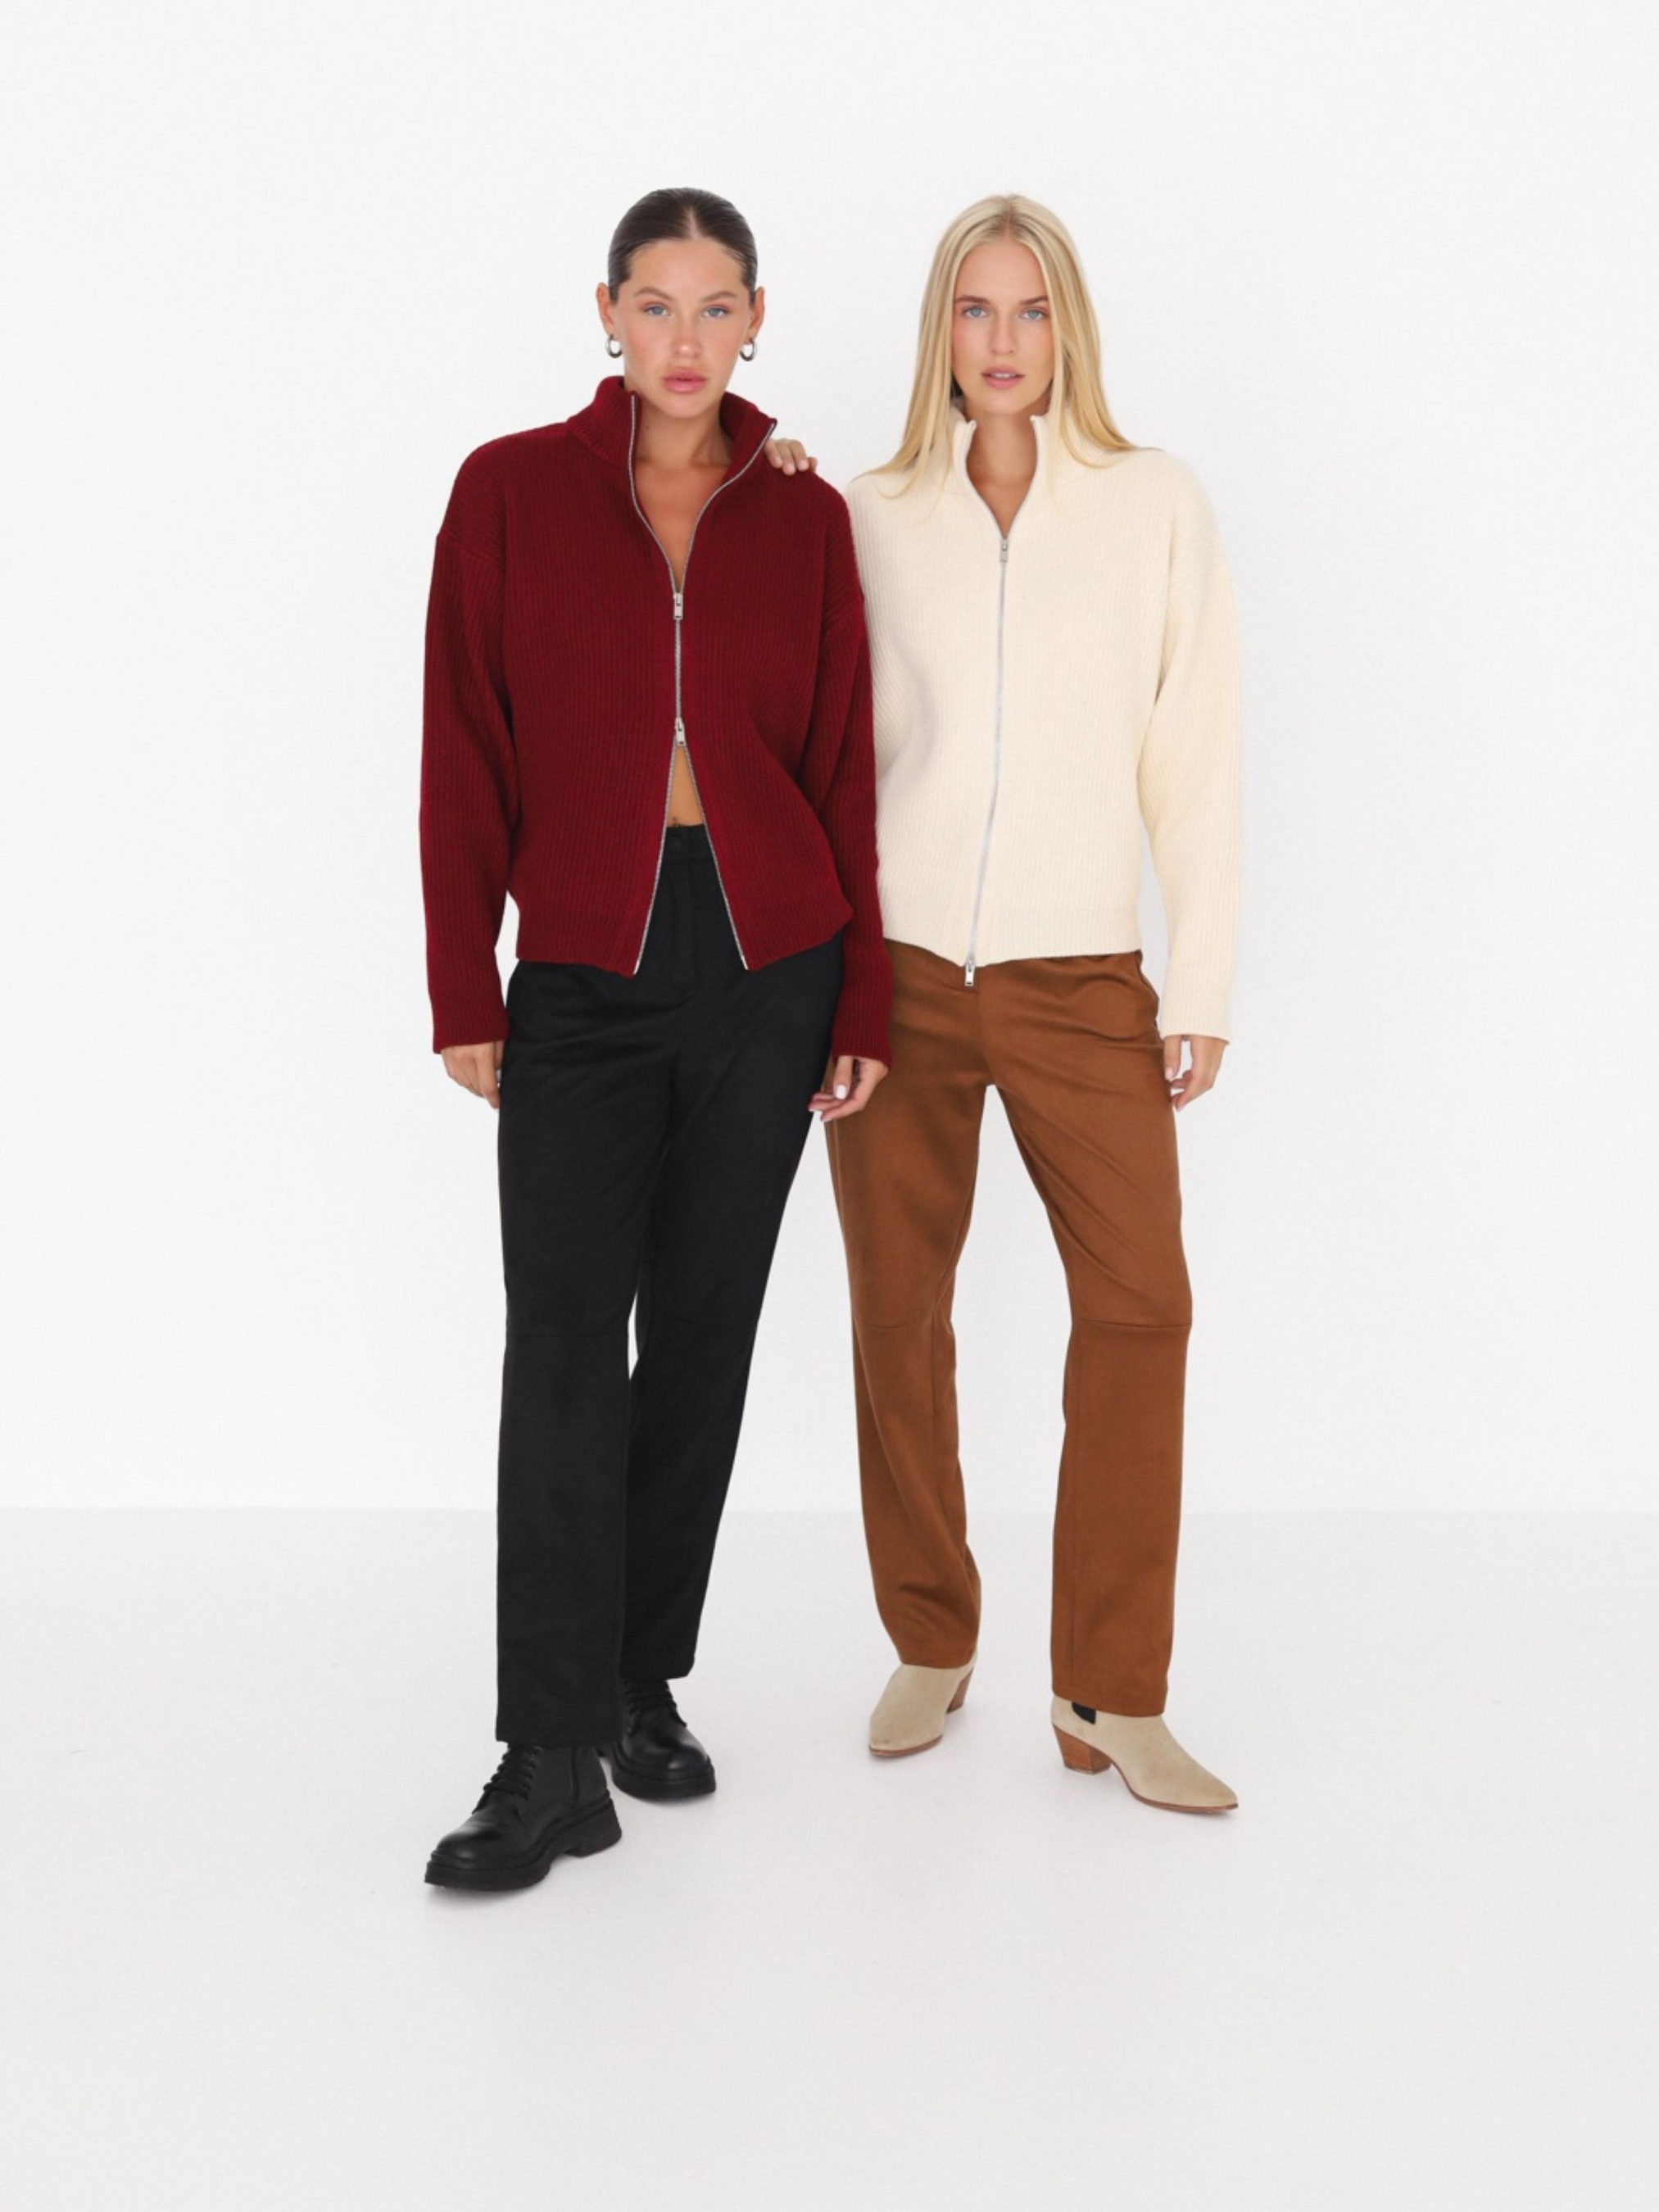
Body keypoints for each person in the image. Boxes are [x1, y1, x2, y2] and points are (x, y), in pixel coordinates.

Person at [419, 188, 890, 1891]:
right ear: (605, 313)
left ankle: (634, 1684)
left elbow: (841, 761)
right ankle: (545, 1758)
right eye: (655, 305)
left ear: (754, 321)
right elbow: (460, 741)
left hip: (770, 966)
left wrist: (859, 996)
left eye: (715, 308)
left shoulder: (803, 516)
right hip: (582, 973)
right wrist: (464, 982)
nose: (684, 340)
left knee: (699, 1338)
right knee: (561, 1342)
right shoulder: (507, 491)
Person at [775, 194, 1242, 1811]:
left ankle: (1108, 1690)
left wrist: (1199, 978)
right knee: (897, 1312)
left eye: (1028, 311)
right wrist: (773, 487)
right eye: (973, 311)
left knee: (1141, 1306)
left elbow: (1194, 751)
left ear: (1067, 330)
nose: (1000, 341)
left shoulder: (1151, 502)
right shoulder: (865, 511)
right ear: (940, 331)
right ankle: (930, 1633)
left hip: (1077, 978)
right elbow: (819, 744)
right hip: (894, 974)